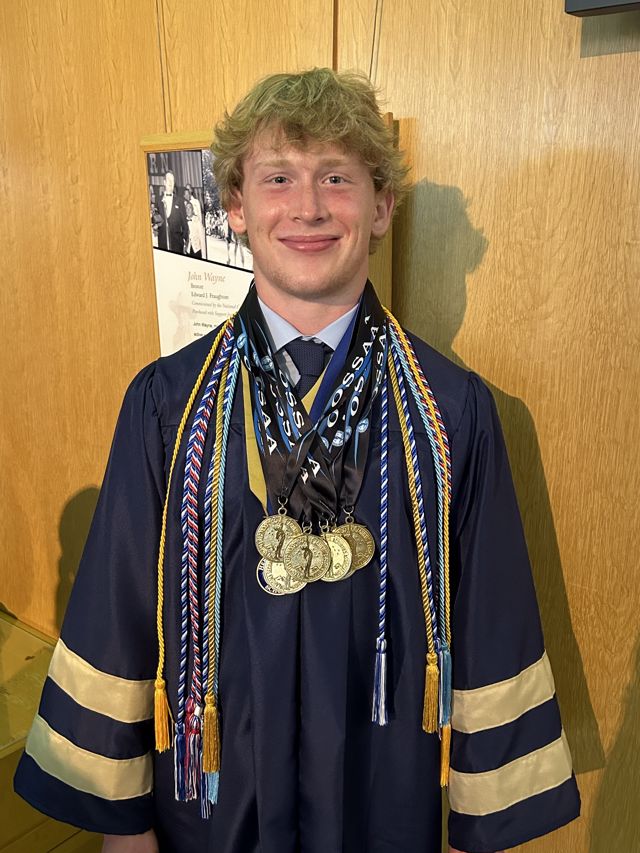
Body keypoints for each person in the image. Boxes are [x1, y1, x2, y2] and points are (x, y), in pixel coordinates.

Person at [14, 69, 580, 853]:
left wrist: (473, 831)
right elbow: (119, 615)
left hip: (386, 804)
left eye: (337, 178)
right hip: (214, 810)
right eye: (278, 177)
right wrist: (125, 827)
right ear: (236, 206)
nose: (308, 206)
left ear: (381, 206)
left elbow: (493, 623)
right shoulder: (168, 406)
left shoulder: (450, 414)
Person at [157, 170, 188, 254]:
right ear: (164, 182)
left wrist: (184, 241)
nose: (170, 182)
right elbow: (156, 221)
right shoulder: (159, 200)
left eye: (172, 180)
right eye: (168, 179)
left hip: (177, 245)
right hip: (163, 244)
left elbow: (185, 224)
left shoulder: (180, 201)